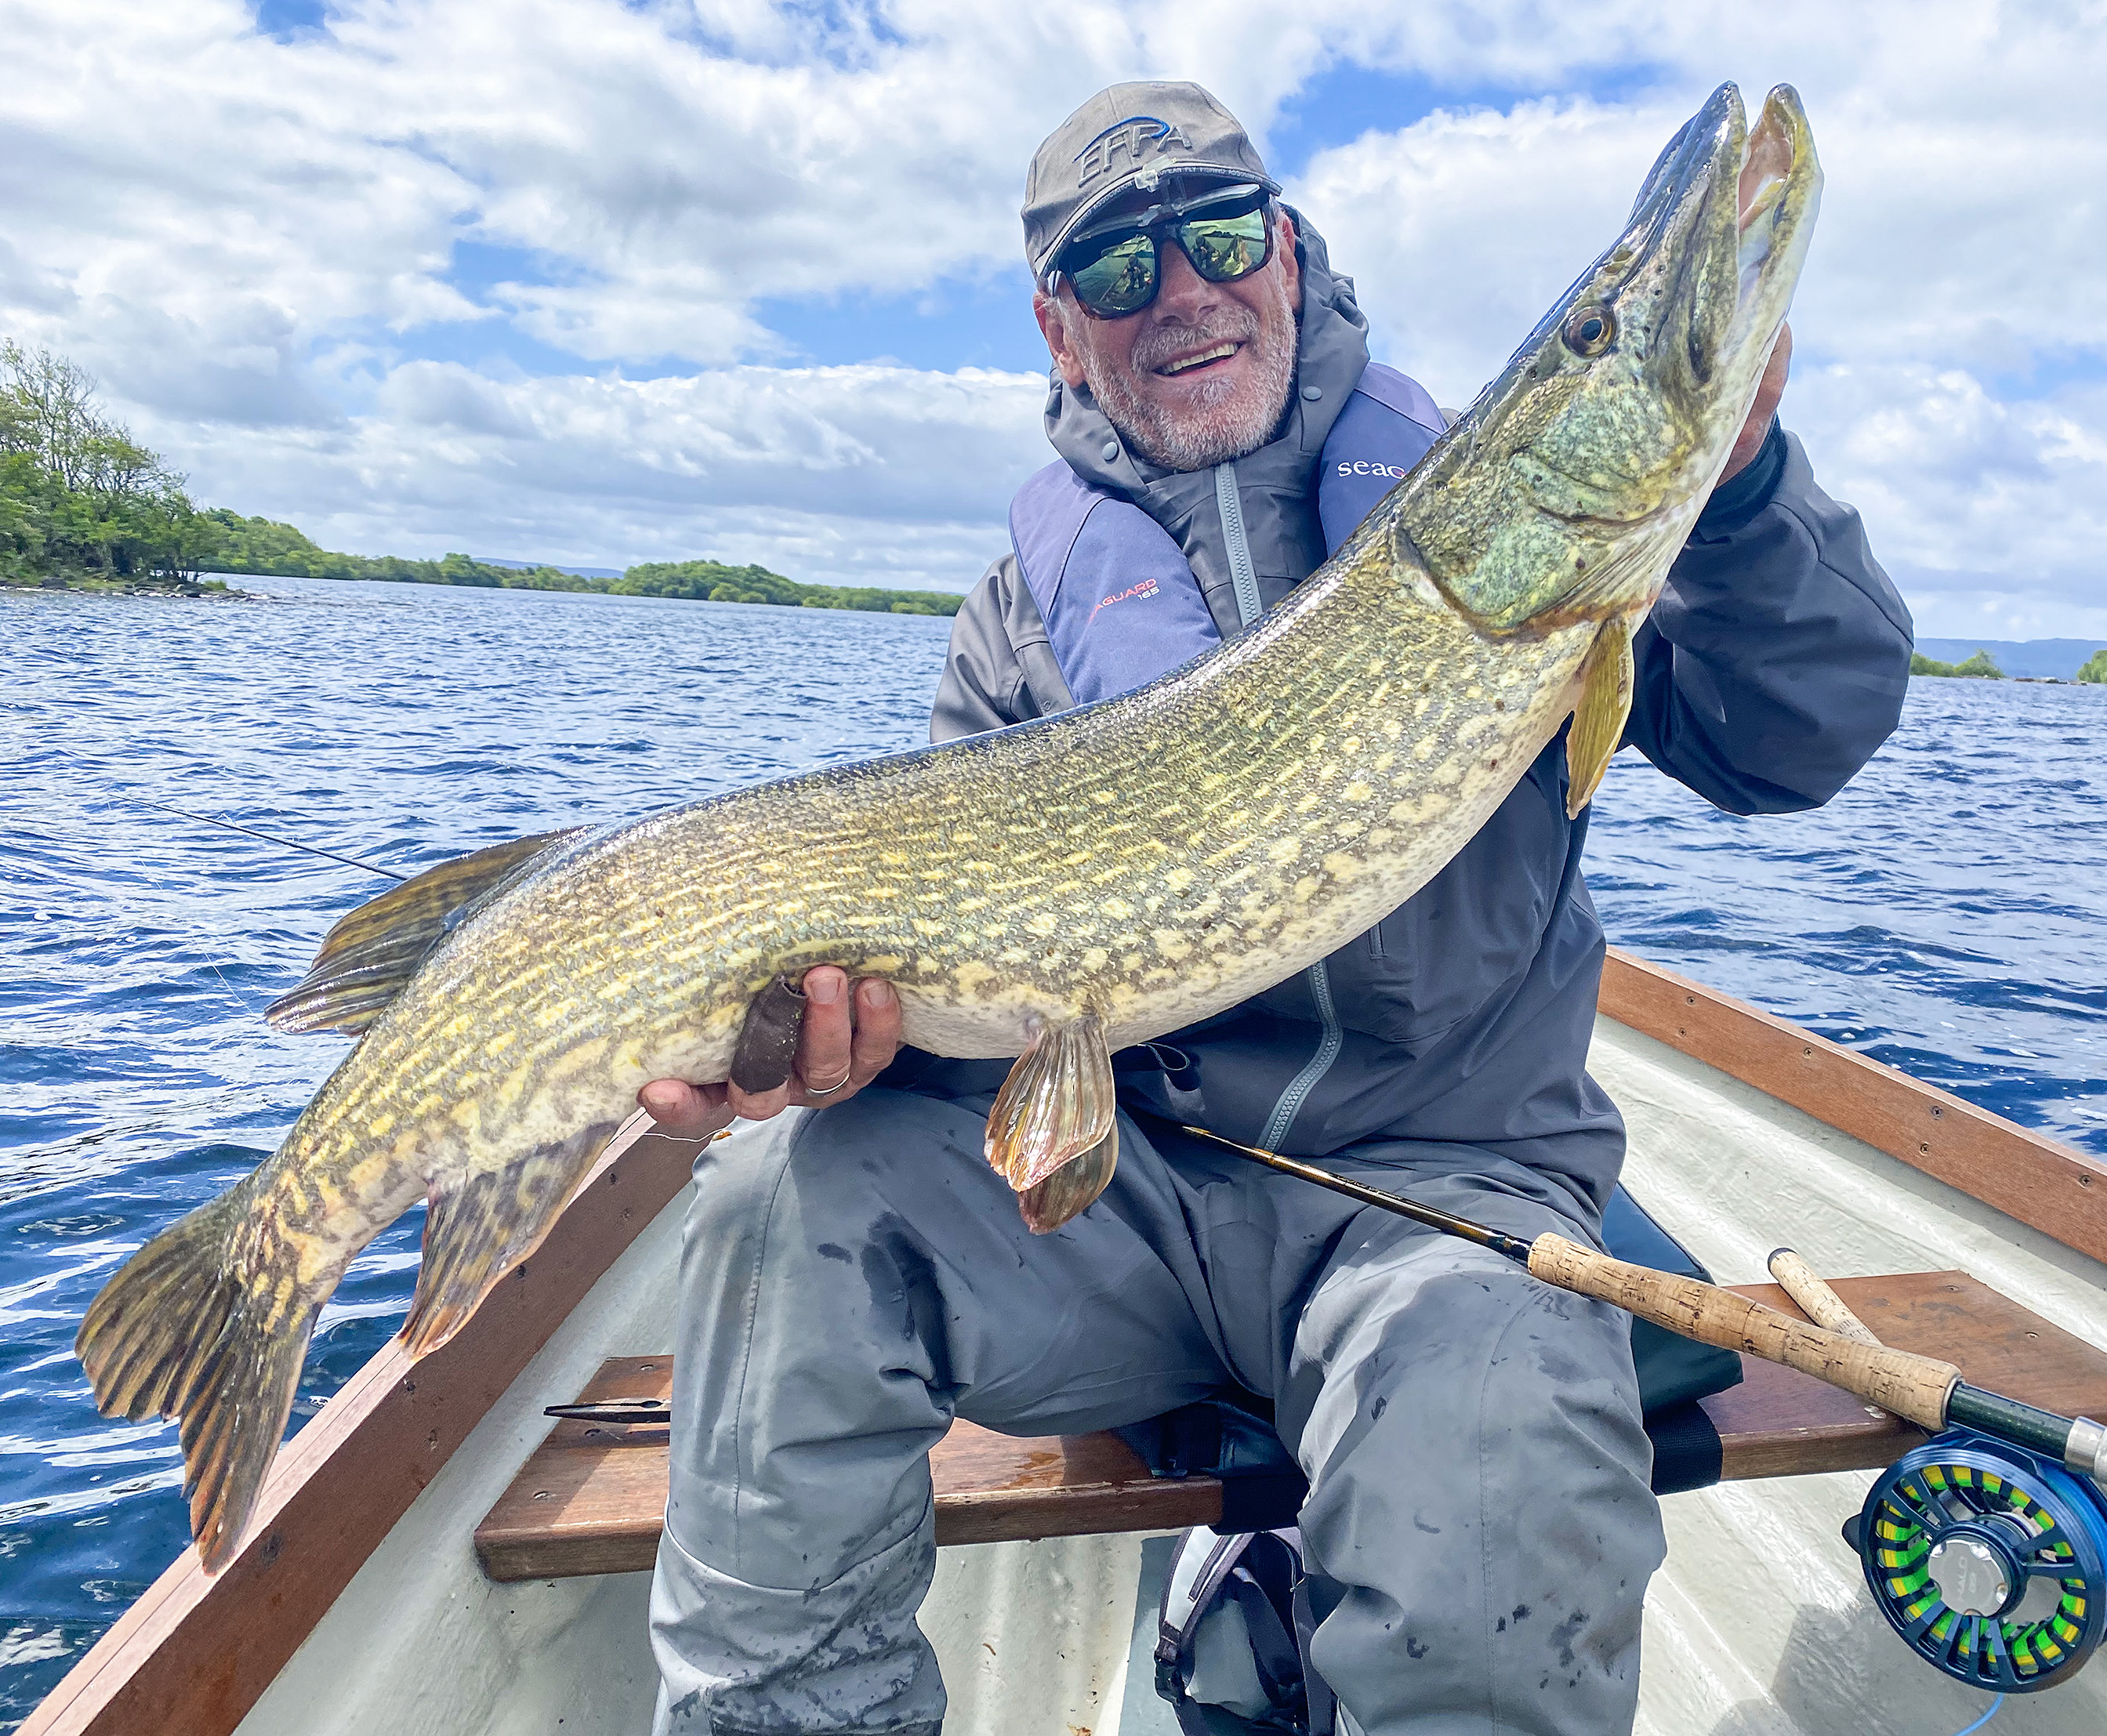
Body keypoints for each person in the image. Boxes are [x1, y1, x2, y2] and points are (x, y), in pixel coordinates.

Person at [640, 81, 1913, 1736]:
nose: (1179, 293)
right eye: (1114, 271)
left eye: (1219, 236)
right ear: (1057, 327)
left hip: (1443, 1201)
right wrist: (817, 1052)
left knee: (1496, 1468)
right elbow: (978, 1029)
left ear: (1290, 257)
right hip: (1125, 1216)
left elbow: (1794, 742)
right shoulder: (1020, 625)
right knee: (772, 1209)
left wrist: (1739, 496)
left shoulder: (1499, 522)